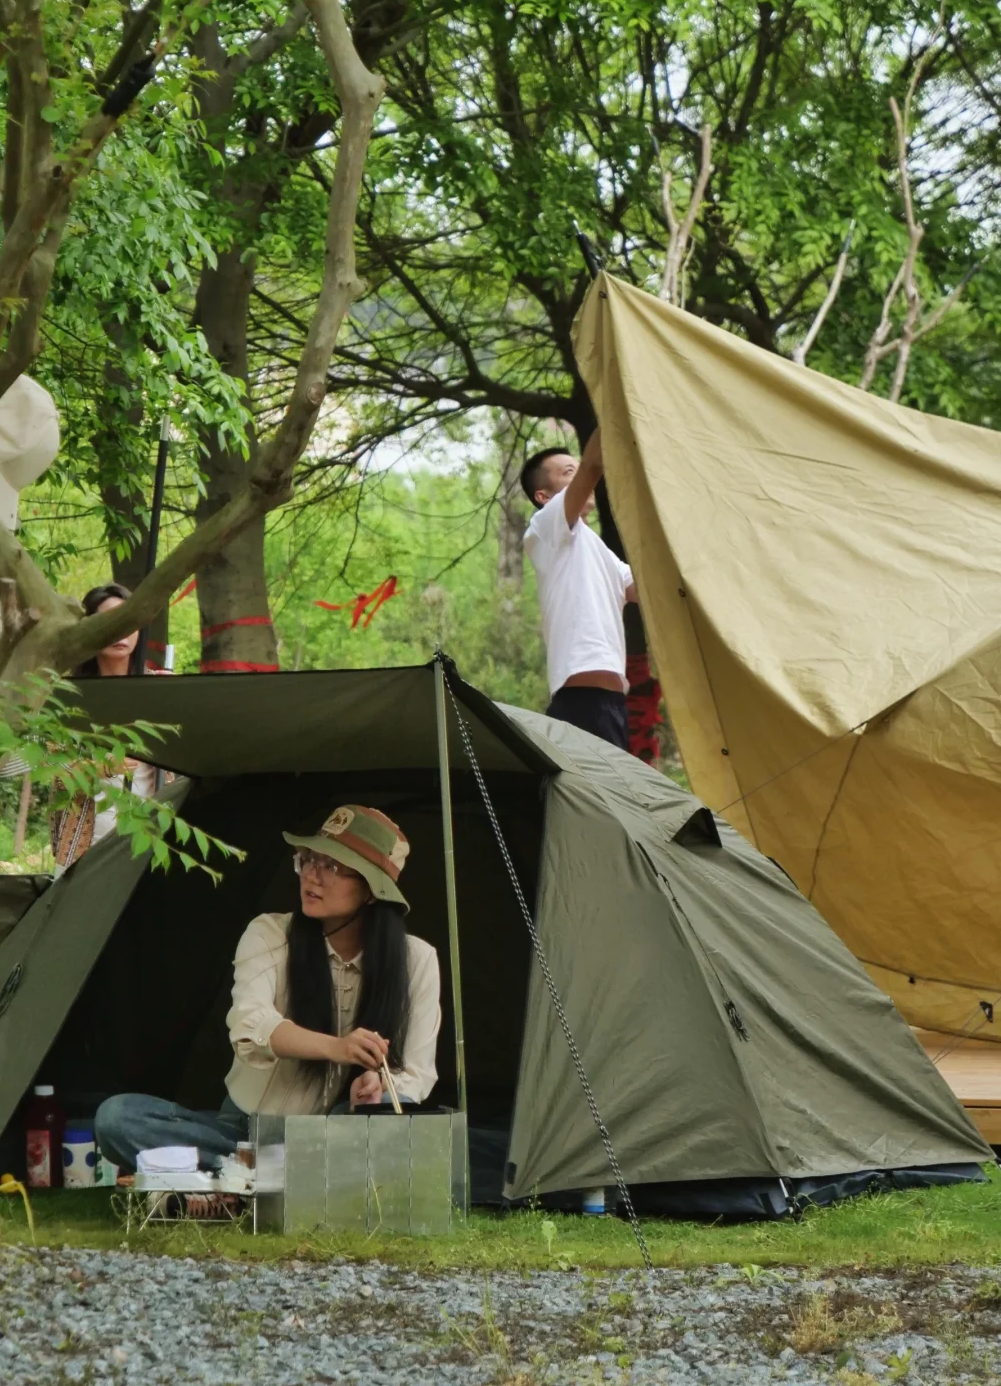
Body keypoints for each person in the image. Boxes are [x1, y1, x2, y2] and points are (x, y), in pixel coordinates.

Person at [95, 804, 442, 1169]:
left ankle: (244, 1176)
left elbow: (417, 1073)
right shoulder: (270, 934)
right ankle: (272, 1173)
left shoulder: (416, 960)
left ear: (372, 891)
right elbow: (251, 1025)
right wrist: (337, 1047)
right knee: (117, 1117)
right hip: (241, 1130)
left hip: (335, 1133)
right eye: (308, 859)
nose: (311, 875)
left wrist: (379, 1088)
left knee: (386, 1144)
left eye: (333, 866)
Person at [521, 429, 638, 750]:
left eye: (576, 469)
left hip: (609, 702)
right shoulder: (545, 528)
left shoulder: (600, 552)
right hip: (584, 701)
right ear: (543, 496)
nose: (579, 478)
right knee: (607, 799)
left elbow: (644, 592)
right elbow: (591, 467)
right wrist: (609, 408)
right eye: (567, 472)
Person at [50, 583, 169, 868]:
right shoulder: (69, 693)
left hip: (148, 836)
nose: (121, 633)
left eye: (128, 623)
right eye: (110, 623)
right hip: (83, 838)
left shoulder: (160, 686)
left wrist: (176, 698)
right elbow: (54, 766)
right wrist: (102, 766)